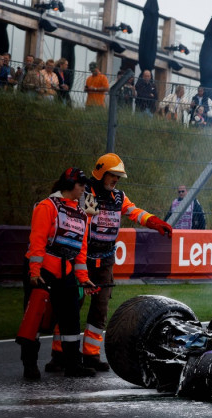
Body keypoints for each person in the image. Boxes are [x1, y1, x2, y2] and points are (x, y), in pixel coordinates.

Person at [46, 153, 173, 372]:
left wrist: (155, 222)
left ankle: (91, 355)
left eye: (118, 177)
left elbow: (135, 212)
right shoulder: (87, 194)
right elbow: (81, 225)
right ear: (101, 172)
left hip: (105, 261)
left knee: (100, 309)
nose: (116, 180)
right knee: (70, 307)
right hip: (82, 259)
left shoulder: (118, 197)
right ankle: (59, 354)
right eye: (113, 175)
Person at [15, 167, 98, 380]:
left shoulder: (81, 214)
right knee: (35, 318)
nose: (84, 190)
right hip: (42, 269)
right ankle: (29, 365)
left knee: (71, 318)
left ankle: (72, 365)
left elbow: (80, 250)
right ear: (70, 185)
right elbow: (37, 242)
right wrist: (34, 272)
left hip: (66, 270)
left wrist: (83, 278)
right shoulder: (46, 206)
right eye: (81, 185)